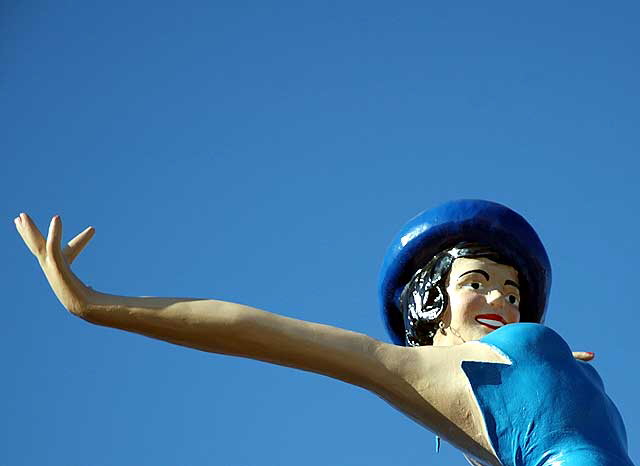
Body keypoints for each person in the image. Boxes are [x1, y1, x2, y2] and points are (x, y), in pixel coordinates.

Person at [15, 199, 634, 466]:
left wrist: (553, 372)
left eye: (512, 290)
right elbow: (267, 332)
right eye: (476, 281)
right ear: (432, 306)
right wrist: (98, 305)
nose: (499, 296)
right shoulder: (436, 373)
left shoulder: (534, 361)